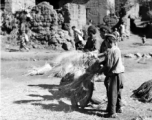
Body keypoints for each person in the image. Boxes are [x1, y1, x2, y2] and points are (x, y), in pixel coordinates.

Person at [97, 34, 125, 118]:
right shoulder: (117, 49)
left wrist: (100, 70)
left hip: (114, 74)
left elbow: (109, 65)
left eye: (105, 41)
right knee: (118, 92)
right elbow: (109, 61)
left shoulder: (110, 50)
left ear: (109, 42)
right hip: (120, 73)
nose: (104, 43)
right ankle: (118, 108)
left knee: (112, 93)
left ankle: (112, 113)